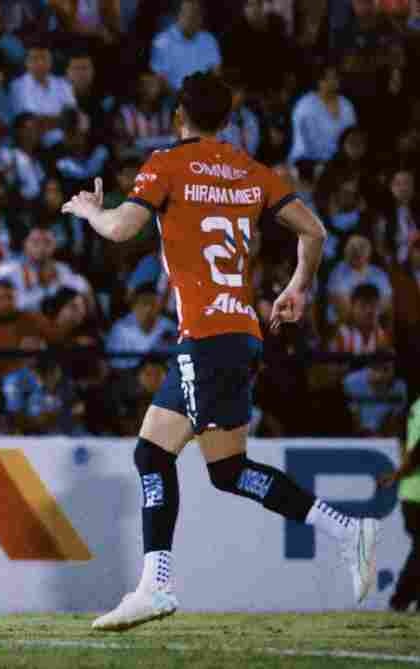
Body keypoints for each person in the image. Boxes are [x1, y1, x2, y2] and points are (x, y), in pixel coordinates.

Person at [61, 70, 379, 631]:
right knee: (226, 470)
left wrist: (89, 211)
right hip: (241, 332)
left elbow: (120, 229)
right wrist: (297, 289)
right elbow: (315, 231)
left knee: (154, 456)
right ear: (229, 121)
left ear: (178, 115)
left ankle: (156, 584)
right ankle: (348, 531)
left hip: (206, 337)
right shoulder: (250, 171)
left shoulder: (165, 163)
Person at [381, 395, 420, 611]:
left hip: (411, 491)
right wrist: (398, 473)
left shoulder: (415, 406)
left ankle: (404, 600)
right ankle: (400, 599)